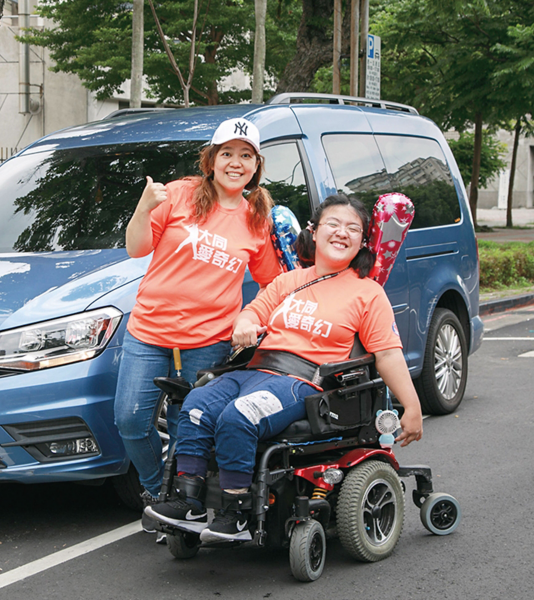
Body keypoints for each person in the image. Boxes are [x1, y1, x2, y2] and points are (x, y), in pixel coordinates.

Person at [145, 194, 424, 543]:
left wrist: (411, 407)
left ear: (363, 241)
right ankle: (188, 503)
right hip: (254, 370)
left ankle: (236, 513)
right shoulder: (287, 282)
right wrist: (245, 323)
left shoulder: (367, 293)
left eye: (353, 228)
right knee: (196, 406)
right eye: (333, 224)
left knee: (238, 417)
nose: (342, 233)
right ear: (314, 231)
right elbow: (252, 313)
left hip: (302, 380)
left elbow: (388, 355)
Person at [114, 118, 283, 535]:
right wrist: (142, 206)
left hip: (209, 341)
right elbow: (136, 248)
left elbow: (273, 282)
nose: (235, 163)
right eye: (227, 153)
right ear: (211, 159)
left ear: (256, 166)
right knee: (130, 422)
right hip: (148, 332)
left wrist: (252, 317)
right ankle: (157, 493)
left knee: (191, 423)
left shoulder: (257, 219)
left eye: (246, 156)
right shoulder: (178, 194)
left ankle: (185, 503)